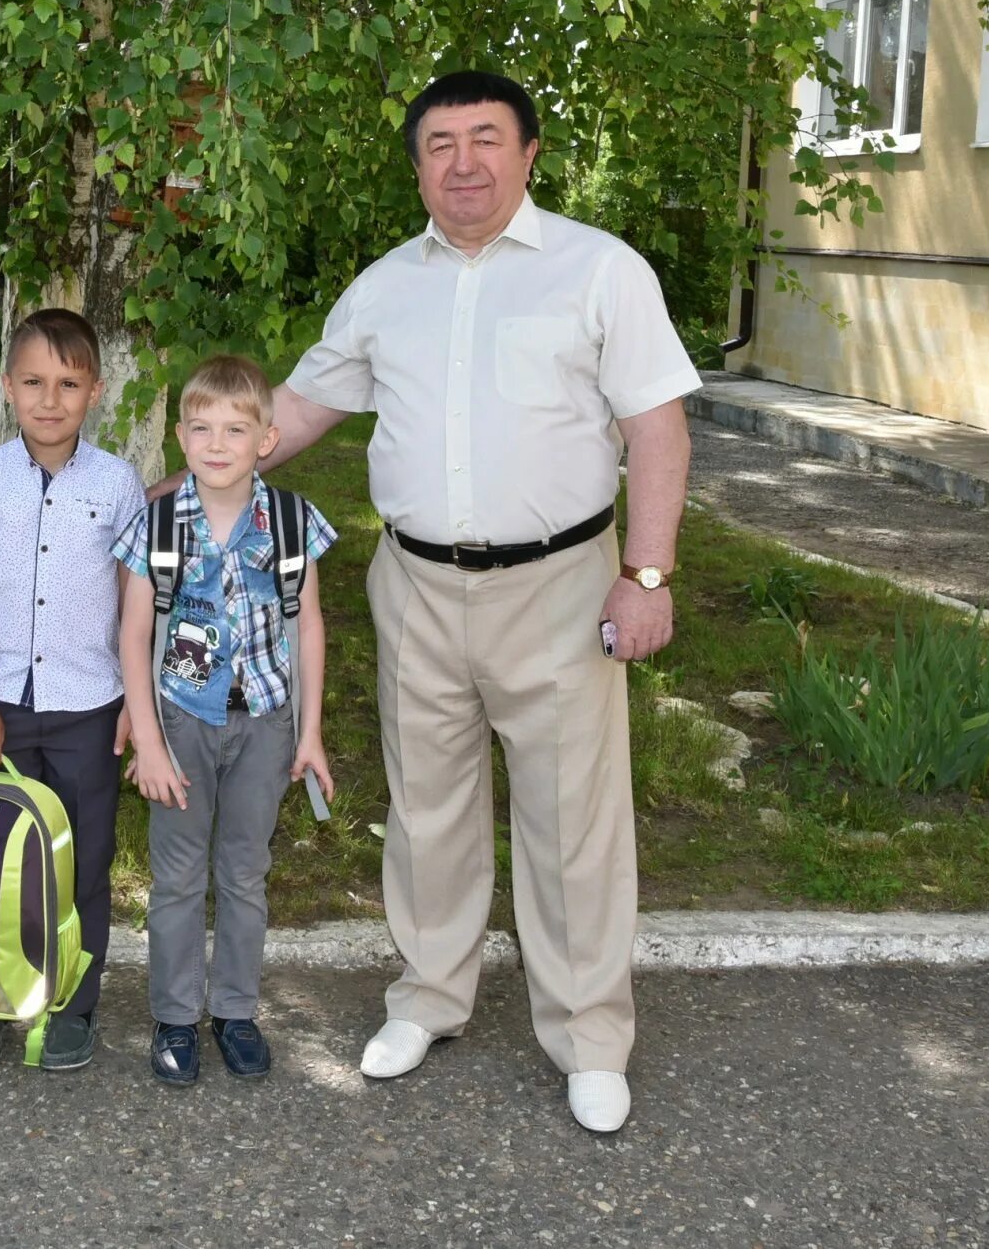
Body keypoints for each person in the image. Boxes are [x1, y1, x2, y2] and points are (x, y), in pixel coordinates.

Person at [263, 70, 699, 1135]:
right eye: (440, 143)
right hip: (413, 583)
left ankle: (589, 1036)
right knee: (428, 810)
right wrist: (195, 477)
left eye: (486, 139)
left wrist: (645, 575)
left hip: (559, 586)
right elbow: (299, 406)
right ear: (415, 164)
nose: (463, 162)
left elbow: (656, 428)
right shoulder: (382, 287)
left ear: (530, 152)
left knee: (572, 823)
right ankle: (426, 997)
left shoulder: (600, 271)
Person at [114, 355, 337, 1087]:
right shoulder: (156, 524)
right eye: (202, 427)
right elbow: (134, 633)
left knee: (245, 872)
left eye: (235, 429)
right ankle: (176, 1017)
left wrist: (309, 731)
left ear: (266, 438)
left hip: (267, 723)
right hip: (181, 721)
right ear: (181, 436)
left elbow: (308, 627)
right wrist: (145, 738)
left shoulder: (294, 522)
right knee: (178, 876)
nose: (217, 443)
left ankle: (236, 1011)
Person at [0, 307, 145, 1071]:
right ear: (6, 388)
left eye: (67, 382)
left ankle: (72, 1003)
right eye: (32, 381)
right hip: (3, 707)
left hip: (89, 707)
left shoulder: (118, 482)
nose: (49, 399)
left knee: (82, 861)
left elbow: (135, 601)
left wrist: (134, 701)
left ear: (94, 390)